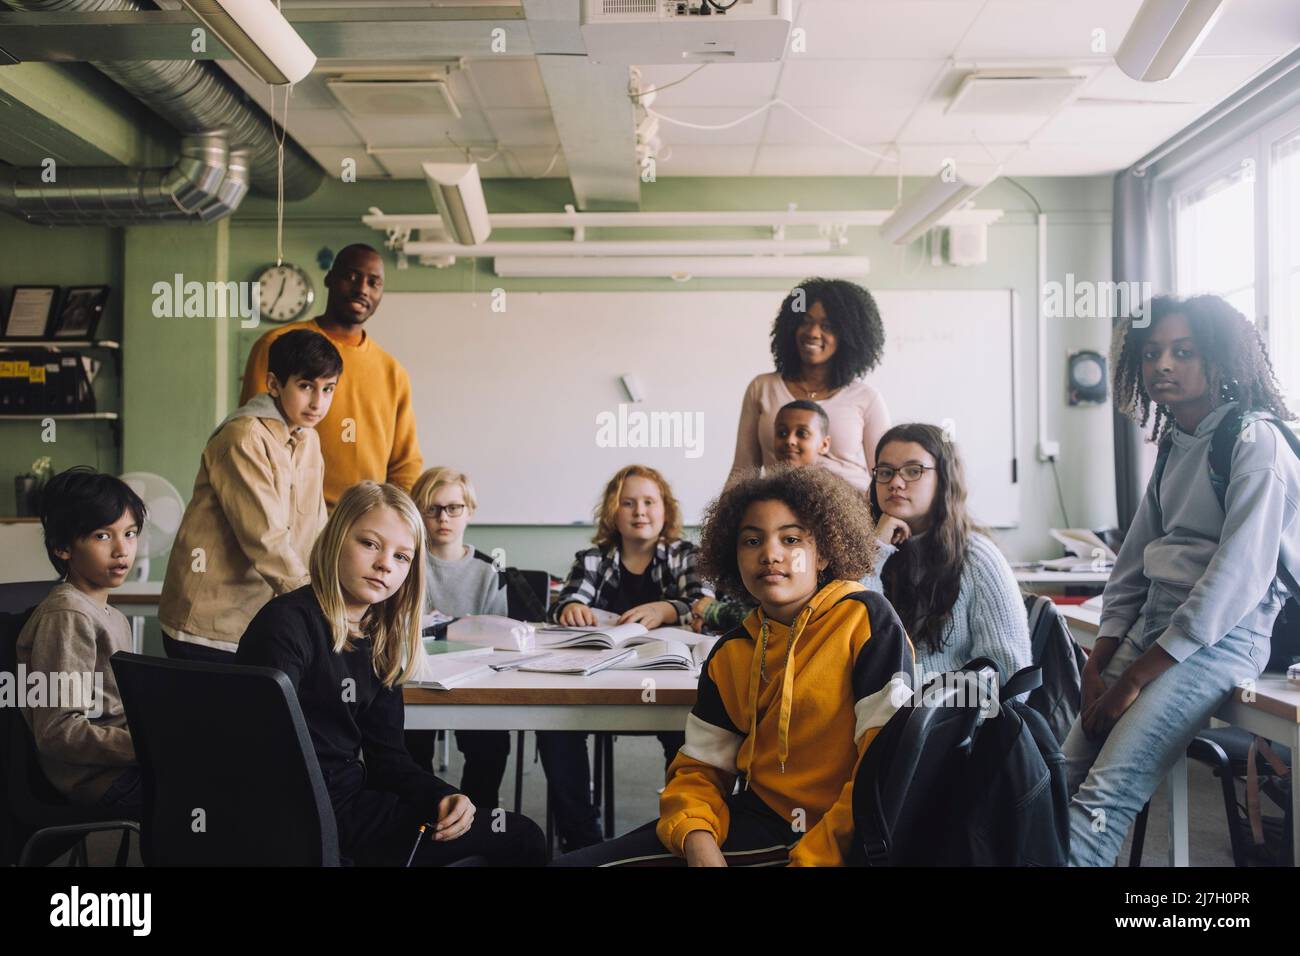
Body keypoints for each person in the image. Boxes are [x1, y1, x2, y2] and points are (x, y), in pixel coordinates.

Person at [554, 466, 914, 866]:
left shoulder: (864, 620)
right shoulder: (732, 652)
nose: (770, 553)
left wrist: (816, 856)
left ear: (824, 552)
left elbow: (885, 766)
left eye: (791, 539)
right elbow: (700, 770)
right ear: (732, 555)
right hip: (759, 821)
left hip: (838, 840)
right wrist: (697, 840)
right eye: (751, 540)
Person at [1065, 294, 1300, 867]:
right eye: (1151, 353)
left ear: (1218, 360)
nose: (1163, 364)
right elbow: (1132, 564)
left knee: (1102, 798)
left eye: (1183, 351)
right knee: (1057, 774)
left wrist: (1133, 679)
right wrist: (1101, 658)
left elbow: (1235, 581)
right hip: (1155, 630)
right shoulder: (1175, 442)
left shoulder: (1255, 441)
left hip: (1221, 639)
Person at [236, 481, 546, 866]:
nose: (385, 563)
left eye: (402, 557)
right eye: (369, 544)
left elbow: (387, 758)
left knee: (521, 837)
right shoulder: (285, 625)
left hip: (352, 808)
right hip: (298, 820)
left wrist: (441, 794)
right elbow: (259, 756)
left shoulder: (378, 638)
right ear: (336, 540)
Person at [542, 464, 714, 851]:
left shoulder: (685, 555)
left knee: (688, 732)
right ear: (612, 513)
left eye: (649, 502)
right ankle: (583, 839)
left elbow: (704, 604)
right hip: (599, 679)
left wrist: (667, 609)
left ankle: (682, 829)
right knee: (554, 730)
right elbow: (565, 602)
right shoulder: (593, 558)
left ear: (665, 510)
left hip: (668, 679)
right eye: (628, 503)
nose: (640, 511)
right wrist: (570, 609)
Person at [160, 329, 339, 661]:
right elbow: (265, 539)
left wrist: (336, 591)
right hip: (209, 624)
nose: (318, 402)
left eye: (328, 389)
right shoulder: (243, 436)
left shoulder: (308, 438)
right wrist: (319, 607)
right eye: (305, 386)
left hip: (259, 617)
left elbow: (317, 527)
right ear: (273, 384)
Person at [239, 243, 422, 506]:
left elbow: (406, 464)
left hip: (364, 524)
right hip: (289, 518)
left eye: (374, 282)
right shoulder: (277, 344)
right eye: (351, 277)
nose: (362, 289)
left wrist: (390, 517)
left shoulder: (393, 372)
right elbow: (253, 438)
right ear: (329, 278)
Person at [861, 422, 1031, 686]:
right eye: (885, 472)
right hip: (878, 719)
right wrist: (876, 547)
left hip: (955, 722)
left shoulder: (977, 558)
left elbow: (1008, 675)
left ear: (943, 478)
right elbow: (852, 636)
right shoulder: (873, 551)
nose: (895, 482)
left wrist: (936, 713)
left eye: (913, 471)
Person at [16, 468, 146, 810]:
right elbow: (58, 731)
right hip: (97, 778)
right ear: (63, 547)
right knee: (221, 794)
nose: (122, 550)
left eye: (130, 533)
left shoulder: (112, 616)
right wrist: (147, 746)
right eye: (102, 536)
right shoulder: (69, 615)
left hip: (122, 763)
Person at [406, 466, 511, 811]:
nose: (443, 518)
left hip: (475, 678)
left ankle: (475, 816)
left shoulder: (489, 570)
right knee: (406, 744)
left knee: (491, 744)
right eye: (432, 508)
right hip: (415, 677)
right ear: (418, 512)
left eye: (453, 508)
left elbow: (500, 636)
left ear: (470, 511)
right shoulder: (405, 562)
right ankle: (422, 812)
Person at [728, 278, 891, 493]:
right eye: (805, 321)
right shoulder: (762, 388)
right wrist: (724, 522)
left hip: (850, 514)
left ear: (850, 336)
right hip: (782, 512)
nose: (813, 332)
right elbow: (743, 472)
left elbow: (885, 475)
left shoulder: (866, 398)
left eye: (828, 326)